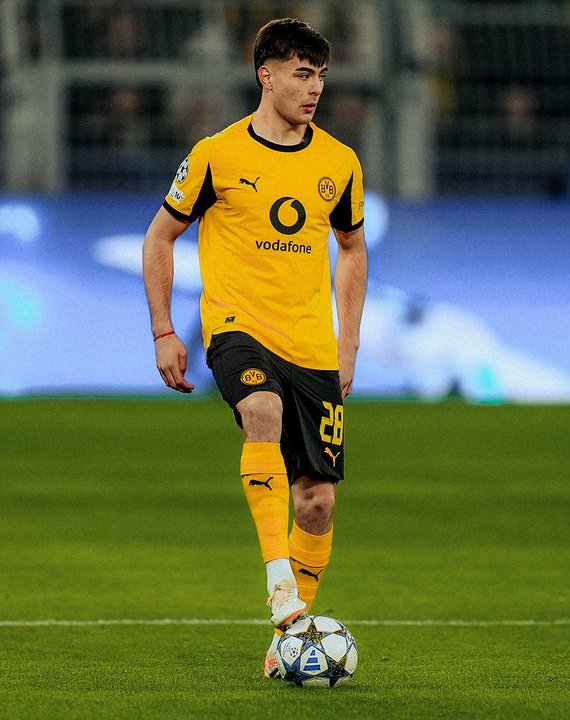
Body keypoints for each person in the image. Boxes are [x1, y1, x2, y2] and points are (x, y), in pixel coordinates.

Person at [142, 17, 367, 678]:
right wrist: (164, 331)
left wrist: (348, 344)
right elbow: (159, 237)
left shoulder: (339, 163)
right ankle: (281, 590)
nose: (315, 88)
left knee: (317, 502)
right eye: (302, 74)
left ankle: (287, 640)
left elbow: (353, 250)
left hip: (312, 343)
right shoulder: (217, 155)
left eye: (320, 76)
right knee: (261, 411)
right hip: (238, 326)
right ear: (265, 76)